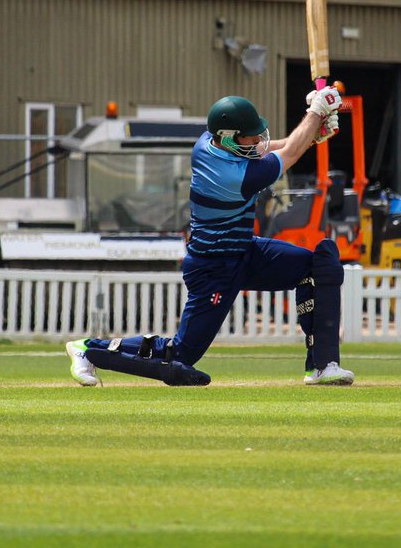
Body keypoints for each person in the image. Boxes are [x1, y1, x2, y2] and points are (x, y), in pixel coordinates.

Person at [65, 86, 354, 386]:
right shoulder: (237, 177)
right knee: (181, 354)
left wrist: (312, 134)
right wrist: (315, 113)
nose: (257, 139)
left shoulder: (207, 142)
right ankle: (89, 350)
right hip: (213, 268)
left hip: (246, 252)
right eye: (249, 134)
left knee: (319, 267)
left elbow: (265, 149)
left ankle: (322, 365)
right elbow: (289, 153)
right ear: (229, 137)